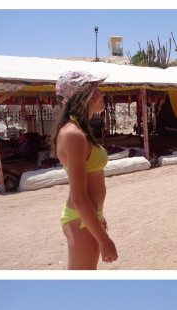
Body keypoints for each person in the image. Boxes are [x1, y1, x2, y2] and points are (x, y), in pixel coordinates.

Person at [49, 71, 118, 269]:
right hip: (80, 218)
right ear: (82, 96)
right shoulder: (73, 135)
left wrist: (97, 216)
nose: (102, 93)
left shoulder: (79, 130)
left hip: (88, 215)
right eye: (96, 89)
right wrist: (104, 240)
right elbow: (79, 197)